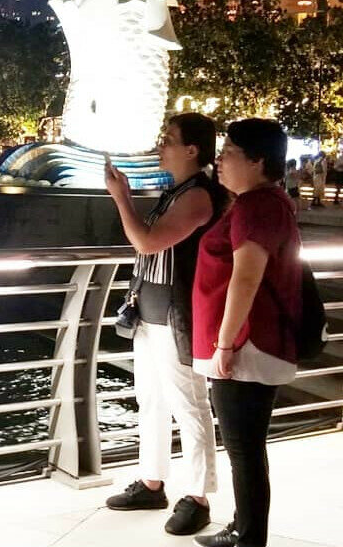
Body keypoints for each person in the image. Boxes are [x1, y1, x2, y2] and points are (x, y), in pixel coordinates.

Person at [102, 113, 225, 536]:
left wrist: (122, 198)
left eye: (168, 140)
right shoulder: (177, 192)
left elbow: (147, 241)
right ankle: (152, 482)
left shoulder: (198, 197)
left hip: (178, 315)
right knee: (151, 399)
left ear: (192, 150)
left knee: (189, 404)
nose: (161, 146)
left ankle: (198, 497)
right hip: (151, 311)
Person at [191, 119, 301, 547]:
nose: (219, 160)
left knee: (244, 449)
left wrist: (225, 344)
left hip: (248, 344)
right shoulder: (260, 203)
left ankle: (250, 537)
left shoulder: (258, 206)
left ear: (257, 160)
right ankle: (243, 527)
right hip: (250, 341)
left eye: (229, 153)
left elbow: (246, 278)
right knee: (245, 448)